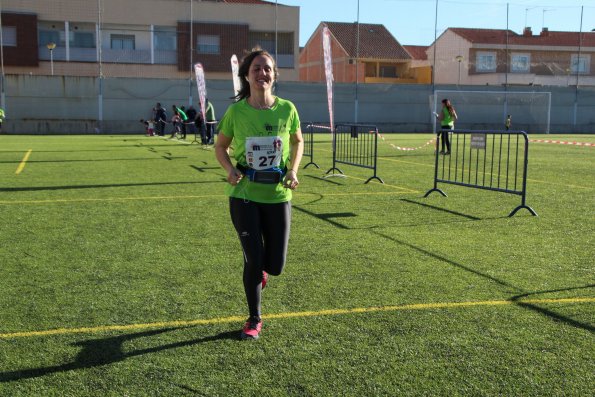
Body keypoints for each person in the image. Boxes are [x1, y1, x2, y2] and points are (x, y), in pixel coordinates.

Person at [215, 49, 304, 341]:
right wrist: (229, 168)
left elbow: (298, 141)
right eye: (256, 69)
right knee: (253, 259)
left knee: (274, 265)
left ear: (274, 75)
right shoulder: (236, 112)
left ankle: (262, 272)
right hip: (244, 195)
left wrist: (293, 170)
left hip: (278, 196)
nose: (262, 74)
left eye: (267, 69)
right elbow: (220, 147)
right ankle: (254, 318)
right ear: (246, 75)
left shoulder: (287, 109)